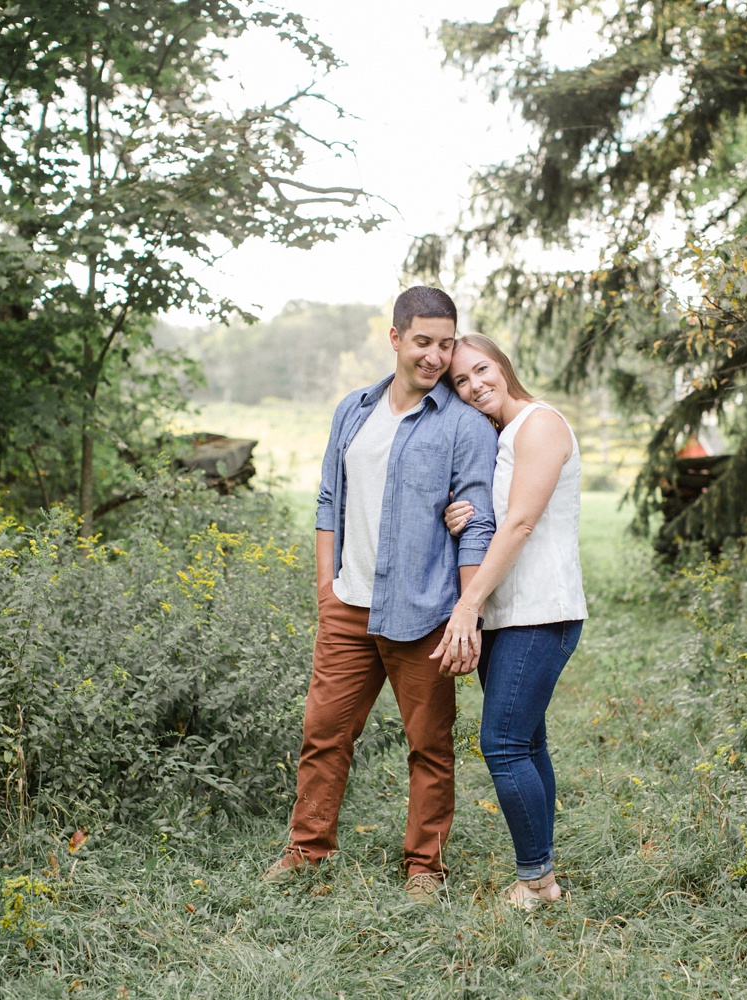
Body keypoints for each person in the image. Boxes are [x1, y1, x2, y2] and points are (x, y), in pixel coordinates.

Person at [264, 286, 498, 902]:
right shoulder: (353, 410)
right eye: (423, 342)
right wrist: (325, 587)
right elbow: (327, 500)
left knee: (430, 746)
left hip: (422, 612)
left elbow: (477, 526)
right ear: (395, 338)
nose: (435, 356)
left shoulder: (465, 426)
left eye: (446, 345)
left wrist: (465, 617)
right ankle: (307, 850)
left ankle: (425, 868)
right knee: (324, 732)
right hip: (347, 604)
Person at [430, 333, 588, 910]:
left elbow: (520, 525)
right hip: (507, 616)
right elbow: (498, 519)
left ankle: (536, 882)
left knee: (501, 744)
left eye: (480, 371)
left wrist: (466, 607)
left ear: (502, 364)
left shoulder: (540, 424)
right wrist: (461, 516)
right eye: (460, 383)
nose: (474, 387)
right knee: (527, 741)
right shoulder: (502, 437)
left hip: (540, 613)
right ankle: (545, 876)